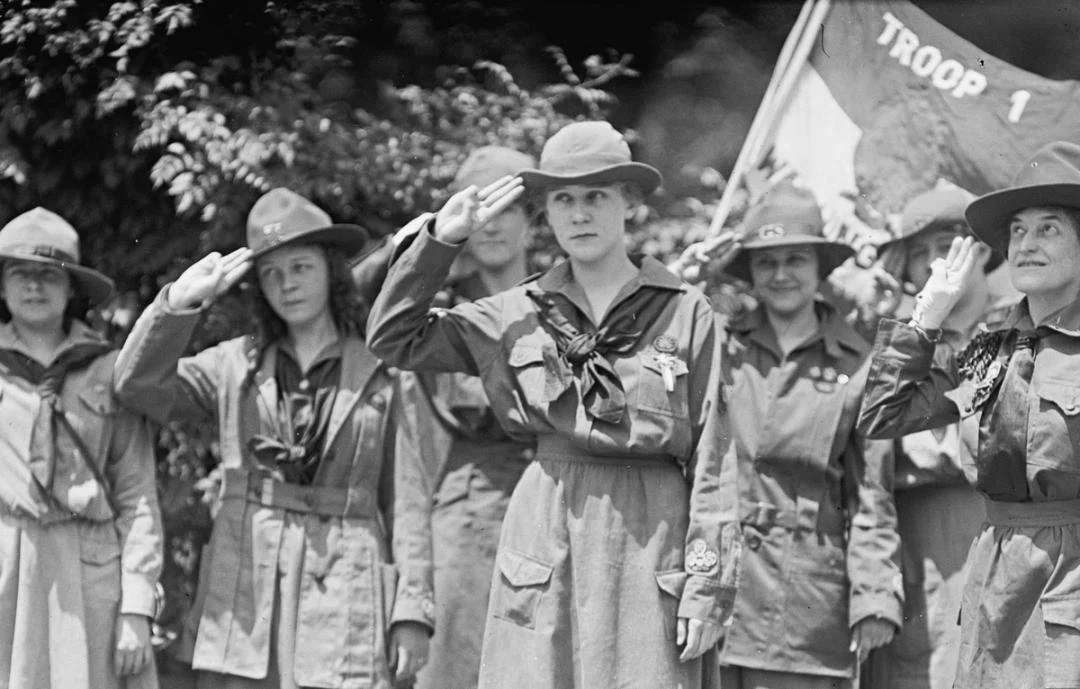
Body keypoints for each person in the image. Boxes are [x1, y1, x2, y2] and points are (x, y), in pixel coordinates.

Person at [366, 120, 740, 689]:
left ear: (630, 203)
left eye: (597, 196)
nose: (580, 213)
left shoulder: (686, 312)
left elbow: (715, 461)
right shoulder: (516, 312)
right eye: (564, 199)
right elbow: (395, 338)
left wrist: (707, 588)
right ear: (547, 211)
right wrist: (441, 241)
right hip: (546, 533)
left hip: (650, 538)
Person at [113, 188, 434, 689]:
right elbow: (136, 386)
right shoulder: (233, 365)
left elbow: (409, 502)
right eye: (272, 274)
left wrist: (411, 612)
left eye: (301, 267)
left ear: (331, 270)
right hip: (248, 588)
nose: (287, 285)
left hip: (349, 584)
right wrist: (179, 303)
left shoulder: (381, 370)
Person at [858, 140, 1080, 689]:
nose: (1026, 245)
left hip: (1070, 588)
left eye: (1048, 228)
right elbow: (887, 416)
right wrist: (924, 321)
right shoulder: (990, 348)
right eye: (1018, 231)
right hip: (995, 587)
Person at [702, 182, 901, 689]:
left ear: (820, 268)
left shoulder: (859, 365)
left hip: (806, 599)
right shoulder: (717, 347)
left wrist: (876, 595)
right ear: (749, 273)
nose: (782, 274)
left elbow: (871, 496)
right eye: (766, 262)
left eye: (796, 259)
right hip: (717, 587)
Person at [0, 208, 163, 689]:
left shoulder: (109, 369)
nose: (34, 286)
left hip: (91, 571)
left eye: (49, 275)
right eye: (20, 273)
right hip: (8, 563)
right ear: (2, 286)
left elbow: (137, 491)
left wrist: (136, 603)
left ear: (72, 288)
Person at [864, 186, 1014, 689]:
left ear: (985, 251)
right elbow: (869, 465)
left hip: (1005, 525)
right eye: (922, 252)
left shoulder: (1020, 331)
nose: (938, 263)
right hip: (918, 538)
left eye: (952, 245)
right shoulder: (896, 345)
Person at [405, 146, 538, 689]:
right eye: (479, 207)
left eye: (507, 207)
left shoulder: (566, 305)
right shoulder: (439, 318)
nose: (492, 224)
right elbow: (415, 452)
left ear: (532, 219)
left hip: (553, 512)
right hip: (467, 523)